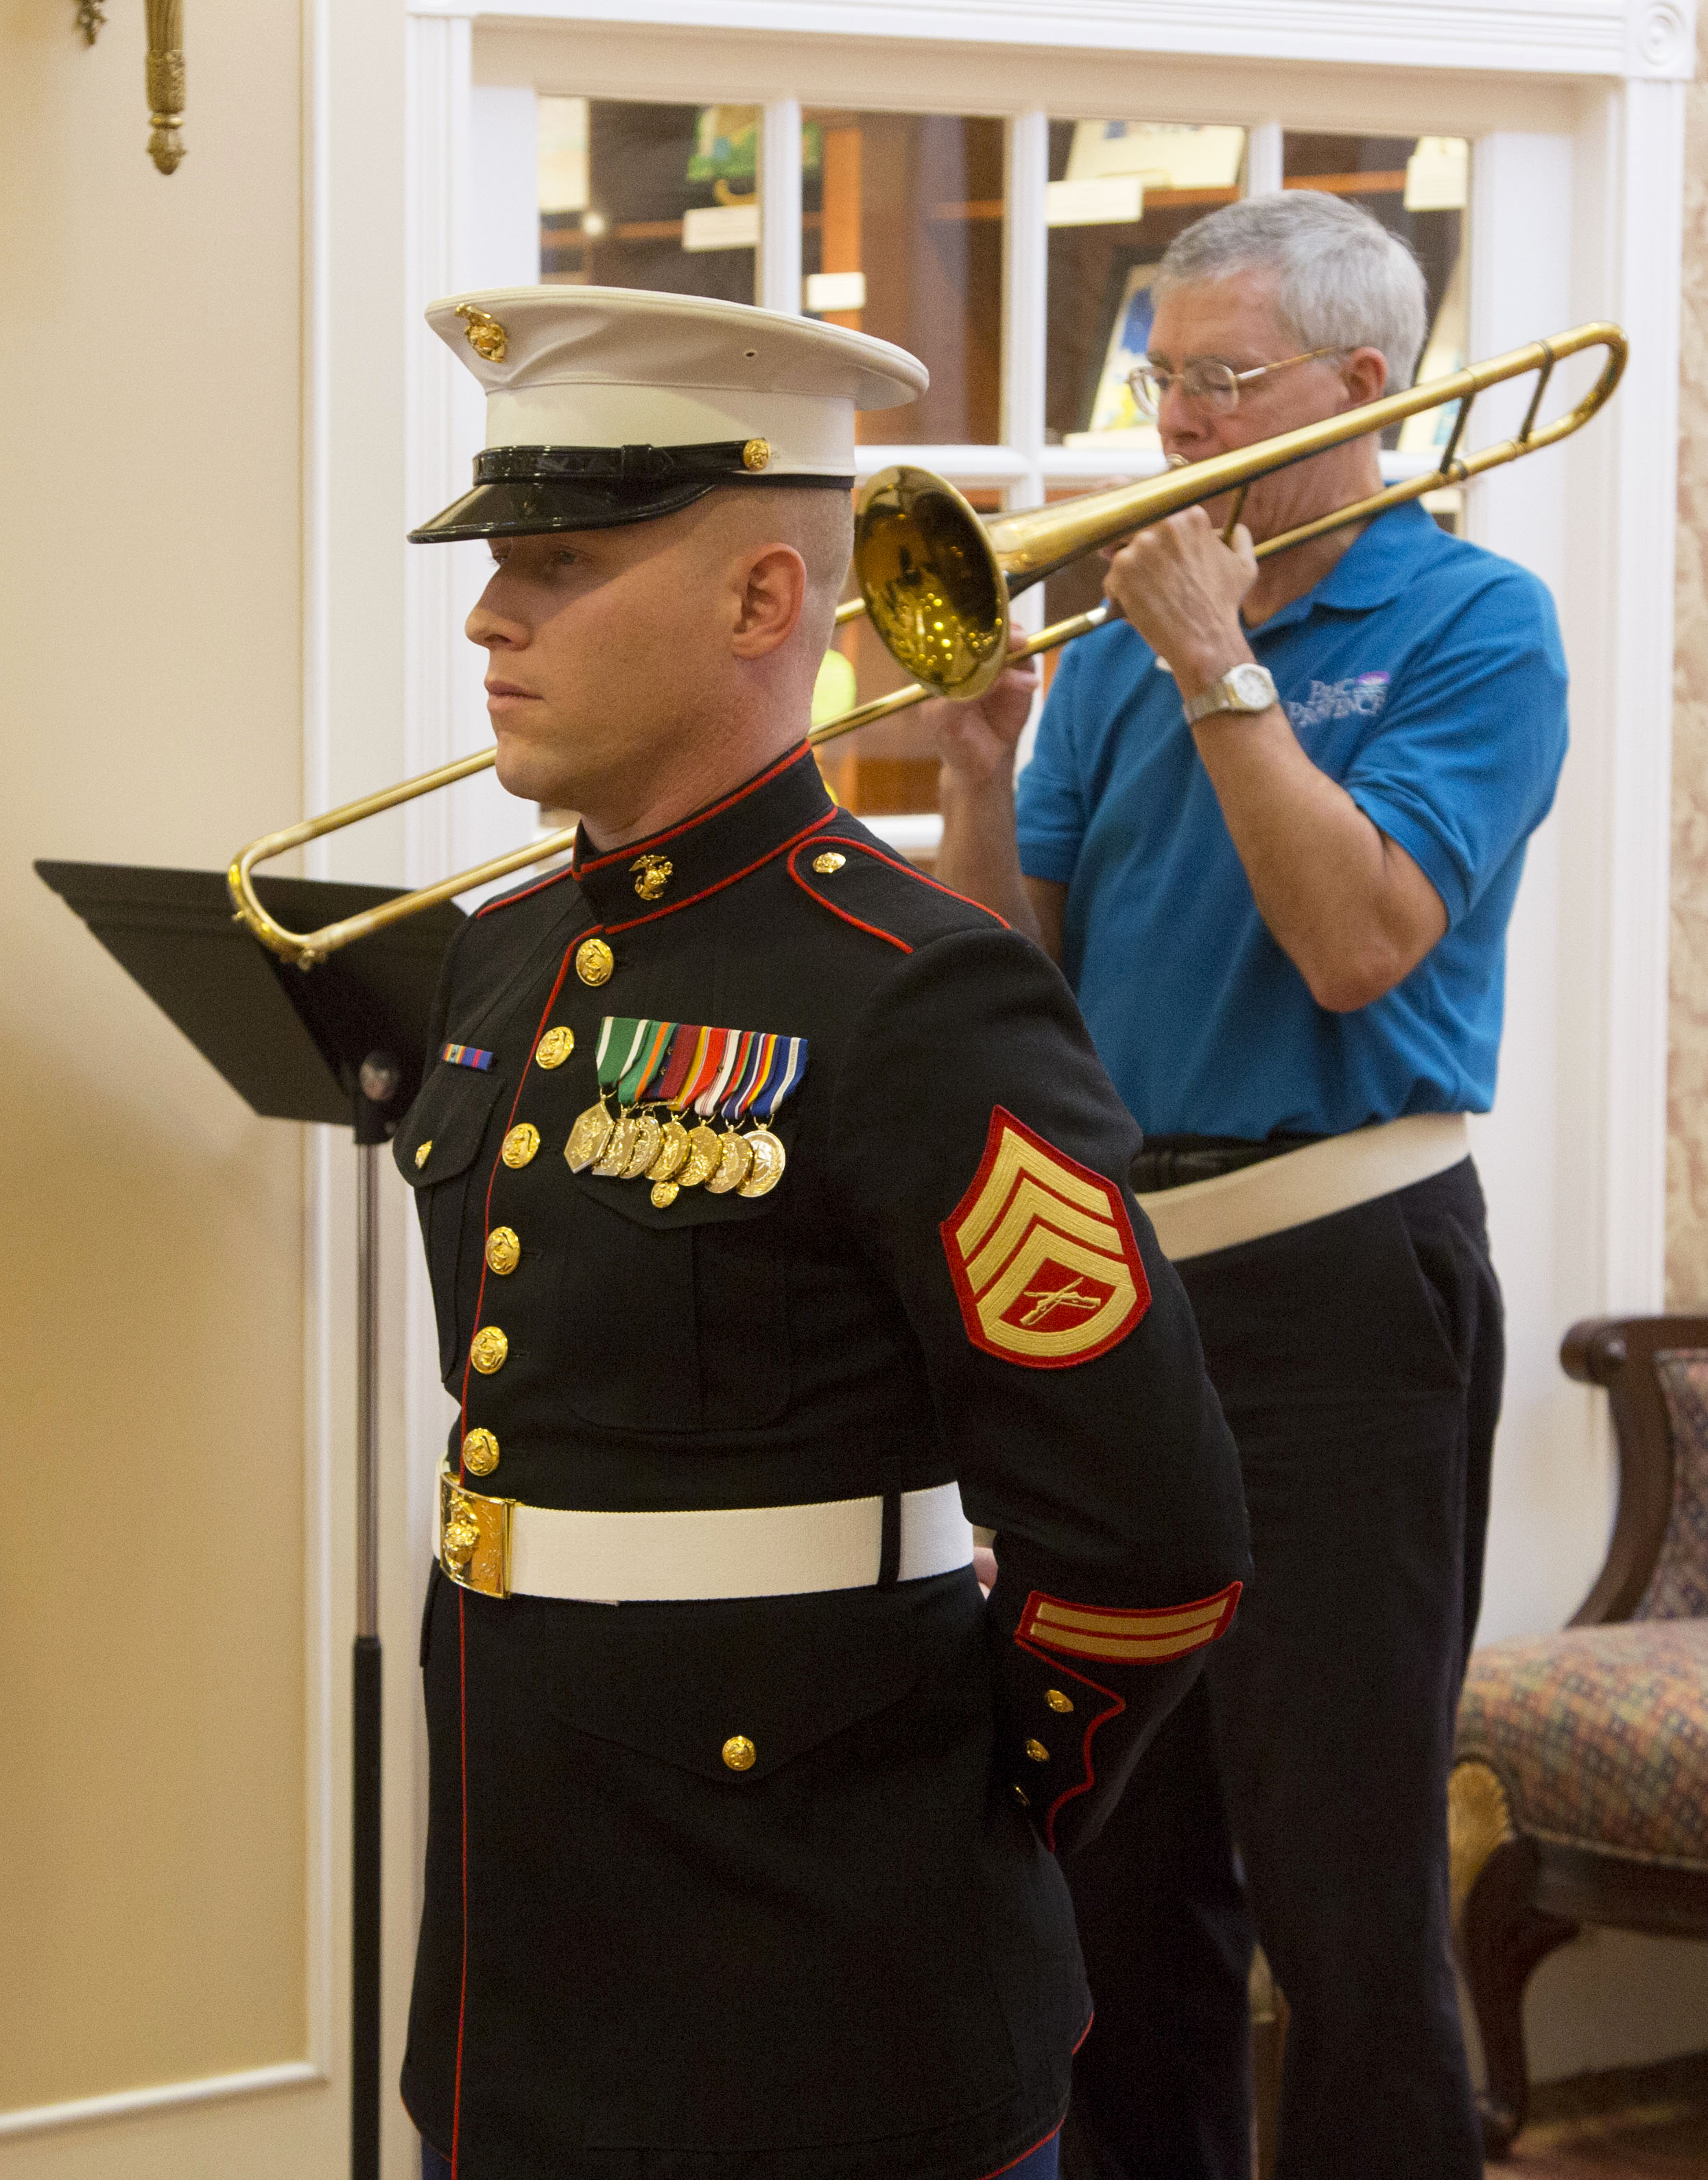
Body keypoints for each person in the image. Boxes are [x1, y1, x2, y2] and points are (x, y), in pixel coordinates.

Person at [390, 285, 1252, 2180]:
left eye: (556, 564)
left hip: (828, 1978)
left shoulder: (915, 996)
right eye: (495, 564)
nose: (487, 617)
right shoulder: (502, 956)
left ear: (762, 604)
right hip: (526, 1965)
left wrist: (941, 1801)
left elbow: (1149, 1536)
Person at [930, 191, 1569, 2180]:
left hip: (1340, 1278)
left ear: (1363, 387)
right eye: (1162, 380)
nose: (1174, 425)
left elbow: (1355, 939)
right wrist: (970, 766)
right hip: (1127, 1283)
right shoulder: (1122, 656)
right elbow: (1009, 995)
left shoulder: (1475, 623)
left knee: (1340, 1876)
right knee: (1114, 1872)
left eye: (1220, 381)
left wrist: (1220, 664)